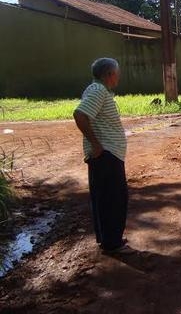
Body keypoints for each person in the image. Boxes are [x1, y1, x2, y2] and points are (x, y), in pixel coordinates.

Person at [73, 58, 132, 254]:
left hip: (107, 155)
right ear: (109, 74)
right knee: (112, 199)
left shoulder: (98, 90)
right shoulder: (98, 91)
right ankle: (112, 244)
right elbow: (80, 115)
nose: (119, 76)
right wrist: (97, 145)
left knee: (106, 198)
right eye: (117, 72)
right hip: (106, 155)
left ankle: (108, 240)